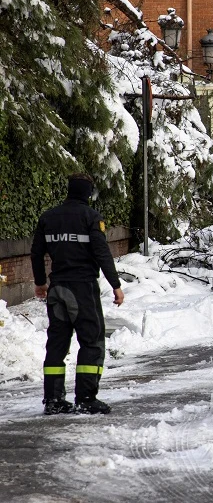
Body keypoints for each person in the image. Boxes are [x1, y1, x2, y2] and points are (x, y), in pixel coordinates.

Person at [31, 173, 125, 415]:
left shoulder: (48, 217)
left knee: (57, 343)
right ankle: (85, 398)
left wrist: (40, 282)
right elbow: (102, 253)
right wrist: (115, 284)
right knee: (92, 341)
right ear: (88, 193)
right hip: (82, 288)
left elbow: (36, 253)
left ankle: (53, 400)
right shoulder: (91, 217)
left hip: (57, 288)